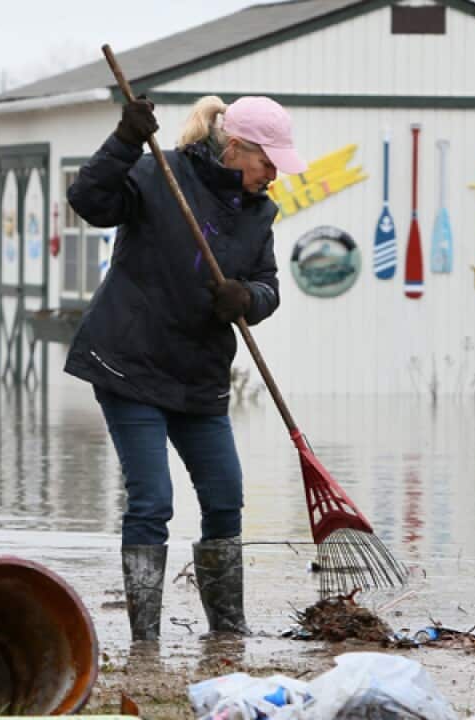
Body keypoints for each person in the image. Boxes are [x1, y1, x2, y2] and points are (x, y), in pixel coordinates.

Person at [66, 94, 306, 641]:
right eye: (267, 162)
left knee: (225, 497)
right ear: (237, 147)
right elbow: (89, 200)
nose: (273, 176)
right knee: (152, 500)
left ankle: (228, 632)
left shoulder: (259, 212)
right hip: (131, 363)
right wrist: (125, 141)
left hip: (199, 375)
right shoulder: (159, 172)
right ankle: (145, 642)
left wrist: (246, 298)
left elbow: (270, 287)